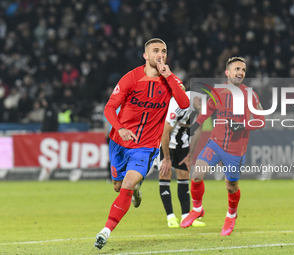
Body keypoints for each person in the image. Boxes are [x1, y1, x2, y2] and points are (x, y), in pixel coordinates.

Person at [94, 38, 189, 249]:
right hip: (119, 142)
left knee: (126, 184)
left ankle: (105, 231)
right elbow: (109, 109)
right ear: (146, 56)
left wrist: (169, 76)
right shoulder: (131, 78)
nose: (160, 55)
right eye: (155, 51)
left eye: (163, 51)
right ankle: (136, 190)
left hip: (146, 146)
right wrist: (120, 128)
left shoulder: (171, 79)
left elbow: (184, 103)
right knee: (118, 186)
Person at [180, 57, 266, 236]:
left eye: (243, 70)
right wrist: (194, 126)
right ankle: (197, 209)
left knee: (231, 186)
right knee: (196, 175)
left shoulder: (250, 95)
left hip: (235, 150)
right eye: (237, 69)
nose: (240, 72)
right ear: (228, 73)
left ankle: (231, 215)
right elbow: (206, 112)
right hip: (215, 143)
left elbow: (261, 121)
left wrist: (243, 125)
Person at [159, 90, 205, 228]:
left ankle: (186, 216)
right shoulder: (180, 104)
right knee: (165, 174)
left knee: (184, 176)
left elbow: (198, 130)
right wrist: (166, 158)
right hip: (165, 142)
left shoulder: (202, 107)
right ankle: (170, 216)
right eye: (201, 101)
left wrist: (190, 153)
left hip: (183, 143)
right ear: (194, 97)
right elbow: (165, 131)